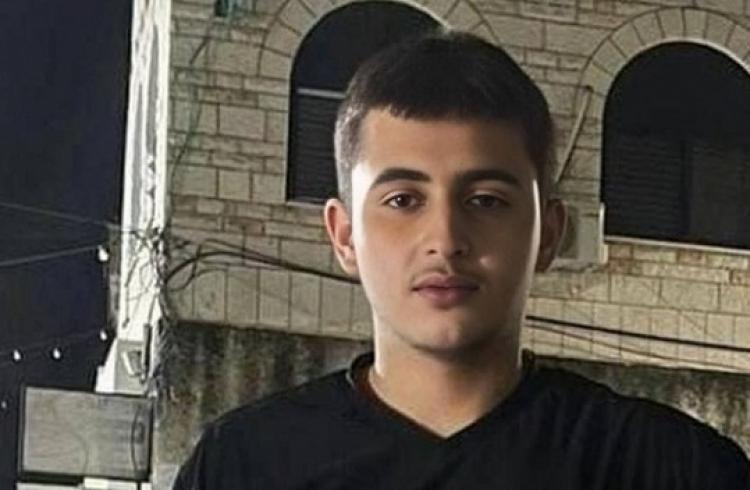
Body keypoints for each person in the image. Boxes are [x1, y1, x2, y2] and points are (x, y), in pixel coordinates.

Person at [173, 30, 750, 489]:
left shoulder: (670, 469)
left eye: (486, 200)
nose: (445, 239)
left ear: (548, 233)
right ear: (344, 235)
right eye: (403, 200)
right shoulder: (244, 466)